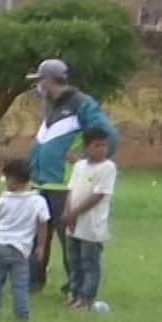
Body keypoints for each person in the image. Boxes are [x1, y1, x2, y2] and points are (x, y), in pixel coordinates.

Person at [25, 59, 117, 295]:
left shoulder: (81, 104)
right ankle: (33, 280)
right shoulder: (50, 105)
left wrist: (88, 158)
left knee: (67, 237)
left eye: (39, 80)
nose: (38, 86)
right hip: (41, 181)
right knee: (38, 235)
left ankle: (75, 285)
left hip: (62, 183)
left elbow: (106, 133)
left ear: (49, 80)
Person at [0, 158, 50, 322]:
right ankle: (21, 315)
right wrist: (41, 246)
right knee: (20, 285)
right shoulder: (38, 201)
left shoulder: (5, 198)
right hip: (20, 249)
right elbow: (43, 223)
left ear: (13, 181)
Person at [62, 127, 117, 311]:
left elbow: (98, 195)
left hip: (92, 225)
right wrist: (67, 211)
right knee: (74, 261)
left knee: (89, 262)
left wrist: (75, 212)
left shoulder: (108, 167)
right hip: (74, 223)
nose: (101, 149)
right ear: (86, 147)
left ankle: (87, 297)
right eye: (96, 145)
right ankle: (75, 294)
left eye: (104, 145)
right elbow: (71, 190)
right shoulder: (79, 166)